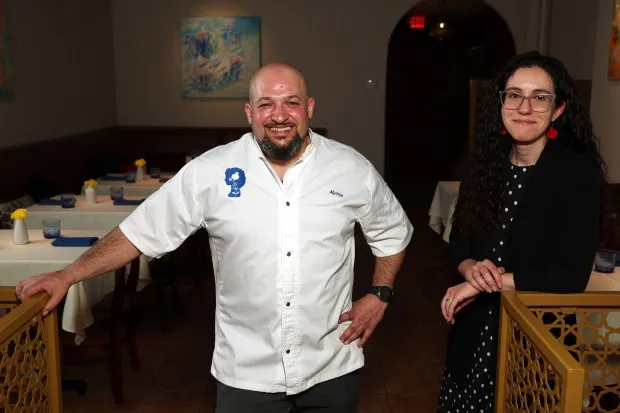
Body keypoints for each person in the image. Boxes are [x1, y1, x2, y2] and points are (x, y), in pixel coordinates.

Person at [16, 63, 413, 413]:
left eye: (291, 103)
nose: (279, 116)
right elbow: (138, 233)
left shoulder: (349, 168)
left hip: (331, 366)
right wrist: (68, 275)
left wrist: (379, 295)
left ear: (309, 108)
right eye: (266, 105)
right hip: (246, 376)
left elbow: (393, 231)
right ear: (249, 113)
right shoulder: (210, 172)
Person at [436, 51, 605, 412]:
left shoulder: (578, 176)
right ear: (500, 104)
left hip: (536, 335)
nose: (525, 107)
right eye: (514, 95)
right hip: (473, 331)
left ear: (558, 109)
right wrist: (469, 268)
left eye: (539, 97)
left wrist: (483, 283)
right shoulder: (484, 163)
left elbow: (570, 275)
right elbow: (458, 240)